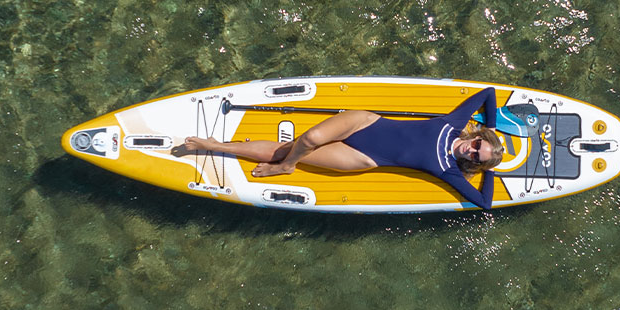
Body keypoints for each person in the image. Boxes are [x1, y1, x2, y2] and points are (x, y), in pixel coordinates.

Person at [171, 87, 505, 209]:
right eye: (479, 146)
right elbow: (488, 93)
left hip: (364, 158)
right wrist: (490, 126)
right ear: (477, 137)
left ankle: (217, 147)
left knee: (283, 151)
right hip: (364, 123)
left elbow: (484, 202)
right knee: (310, 139)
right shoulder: (454, 123)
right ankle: (288, 164)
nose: (472, 152)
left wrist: (489, 170)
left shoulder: (449, 171)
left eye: (477, 157)